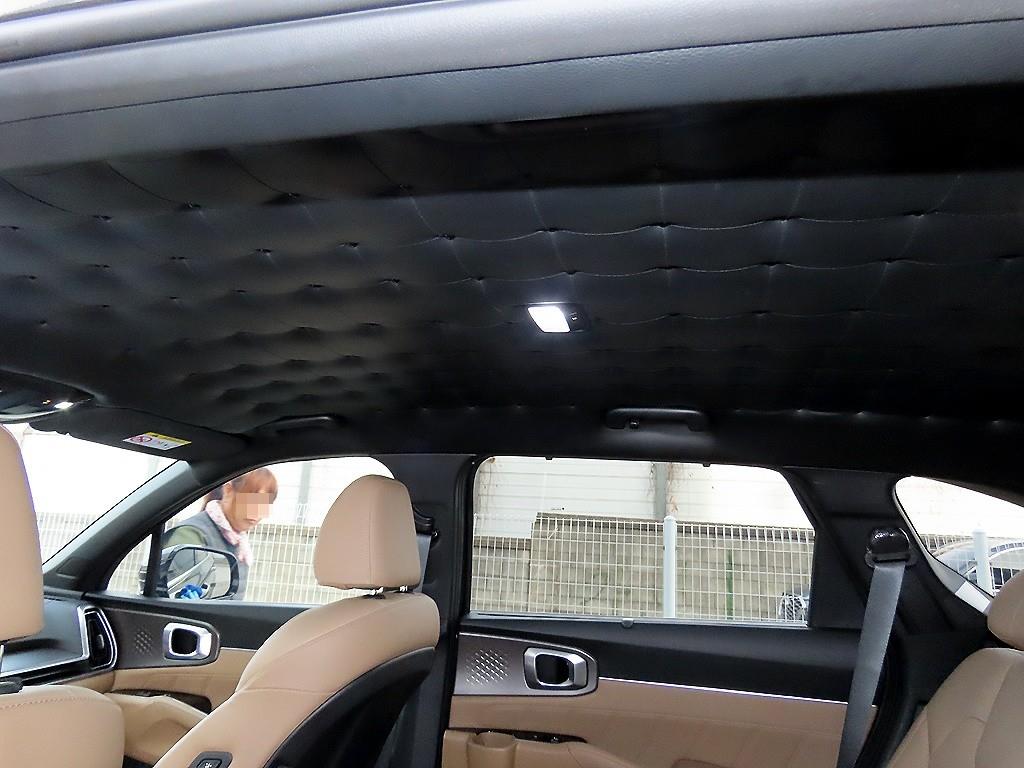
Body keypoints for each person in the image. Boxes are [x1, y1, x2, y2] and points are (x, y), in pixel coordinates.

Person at [162, 468, 278, 599]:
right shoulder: (190, 534)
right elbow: (177, 599)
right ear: (228, 490)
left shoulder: (240, 545)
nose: (257, 511)